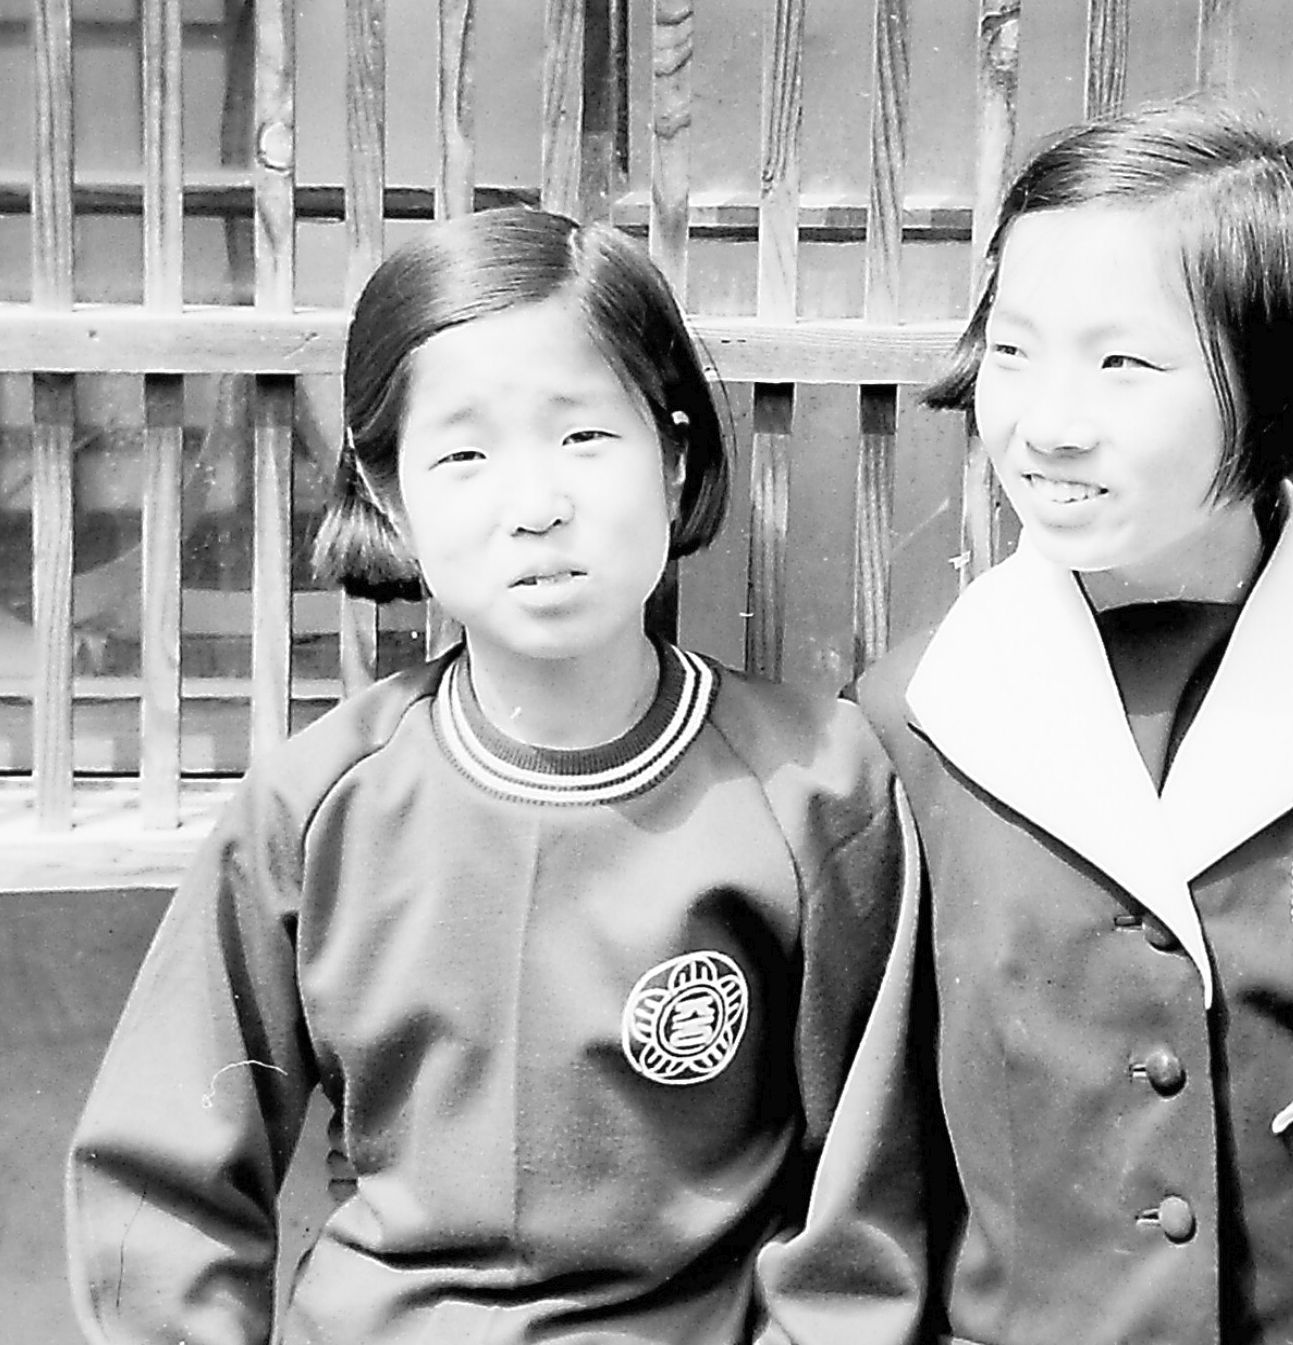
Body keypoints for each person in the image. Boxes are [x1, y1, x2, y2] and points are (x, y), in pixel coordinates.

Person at [65, 206, 927, 1345]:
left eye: (585, 435)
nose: (536, 505)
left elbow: (862, 1218)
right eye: (464, 455)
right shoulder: (317, 805)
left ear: (674, 458)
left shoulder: (816, 788)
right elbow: (162, 1193)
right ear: (388, 494)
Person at [852, 97, 1293, 1344]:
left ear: (1277, 383)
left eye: (1123, 365)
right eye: (1014, 350)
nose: (1047, 421)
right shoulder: (912, 717)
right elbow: (878, 1180)